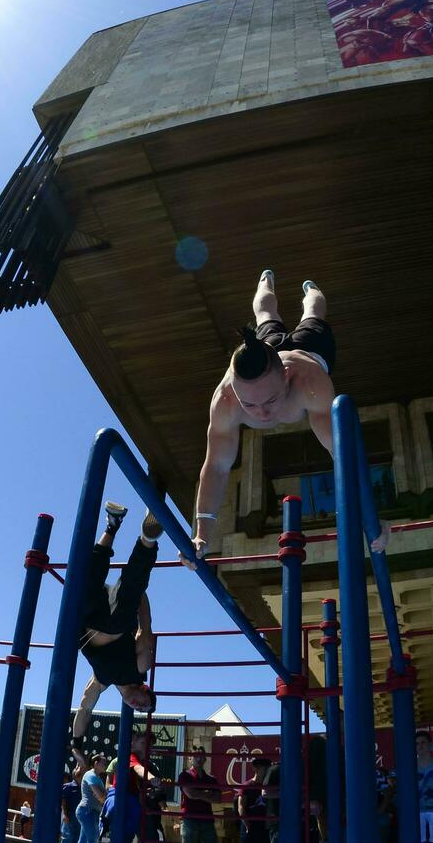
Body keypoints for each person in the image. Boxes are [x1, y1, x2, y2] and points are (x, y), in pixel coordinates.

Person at [185, 272, 386, 567]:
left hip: (310, 349)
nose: (263, 414)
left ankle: (311, 288)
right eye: (249, 404)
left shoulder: (310, 384)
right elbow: (216, 466)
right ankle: (265, 281)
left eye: (270, 401)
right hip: (268, 348)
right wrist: (202, 534)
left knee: (314, 311)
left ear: (287, 378)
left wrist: (370, 513)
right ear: (234, 392)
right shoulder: (225, 400)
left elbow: (341, 454)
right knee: (265, 314)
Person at [71, 503, 161, 751]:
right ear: (146, 689)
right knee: (130, 590)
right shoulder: (140, 670)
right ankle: (147, 539)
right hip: (116, 617)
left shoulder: (100, 681)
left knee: (85, 585)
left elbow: (85, 707)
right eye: (145, 704)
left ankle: (112, 525)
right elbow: (145, 629)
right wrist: (138, 592)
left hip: (86, 621)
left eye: (140, 710)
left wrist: (77, 744)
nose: (139, 706)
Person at [104, 731, 159, 843]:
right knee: (121, 836)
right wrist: (151, 777)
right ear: (133, 743)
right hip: (120, 799)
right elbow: (138, 769)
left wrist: (147, 791)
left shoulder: (145, 762)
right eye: (143, 743)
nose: (146, 746)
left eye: (150, 744)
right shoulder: (131, 756)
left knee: (125, 836)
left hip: (130, 800)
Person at [178, 744, 229, 843]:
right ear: (190, 759)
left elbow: (218, 799)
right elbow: (190, 794)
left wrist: (198, 794)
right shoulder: (184, 775)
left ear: (205, 759)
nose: (198, 759)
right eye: (195, 756)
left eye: (201, 756)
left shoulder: (211, 779)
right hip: (190, 819)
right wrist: (207, 793)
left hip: (206, 820)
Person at [239, 756, 273, 843]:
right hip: (251, 826)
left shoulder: (269, 787)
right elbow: (241, 807)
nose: (266, 771)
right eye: (264, 768)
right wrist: (247, 824)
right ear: (256, 768)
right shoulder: (247, 786)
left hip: (265, 827)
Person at [78, 753, 108, 843]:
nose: (105, 765)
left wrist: (103, 796)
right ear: (96, 763)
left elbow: (102, 797)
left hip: (90, 812)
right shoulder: (91, 775)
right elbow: (101, 797)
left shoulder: (96, 777)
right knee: (93, 839)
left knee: (83, 840)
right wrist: (103, 795)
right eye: (104, 763)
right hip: (87, 811)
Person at [61, 766, 82, 843]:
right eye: (81, 775)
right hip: (70, 816)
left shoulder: (83, 788)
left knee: (77, 838)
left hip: (80, 817)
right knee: (67, 837)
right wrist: (65, 815)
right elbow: (63, 801)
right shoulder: (68, 786)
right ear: (76, 776)